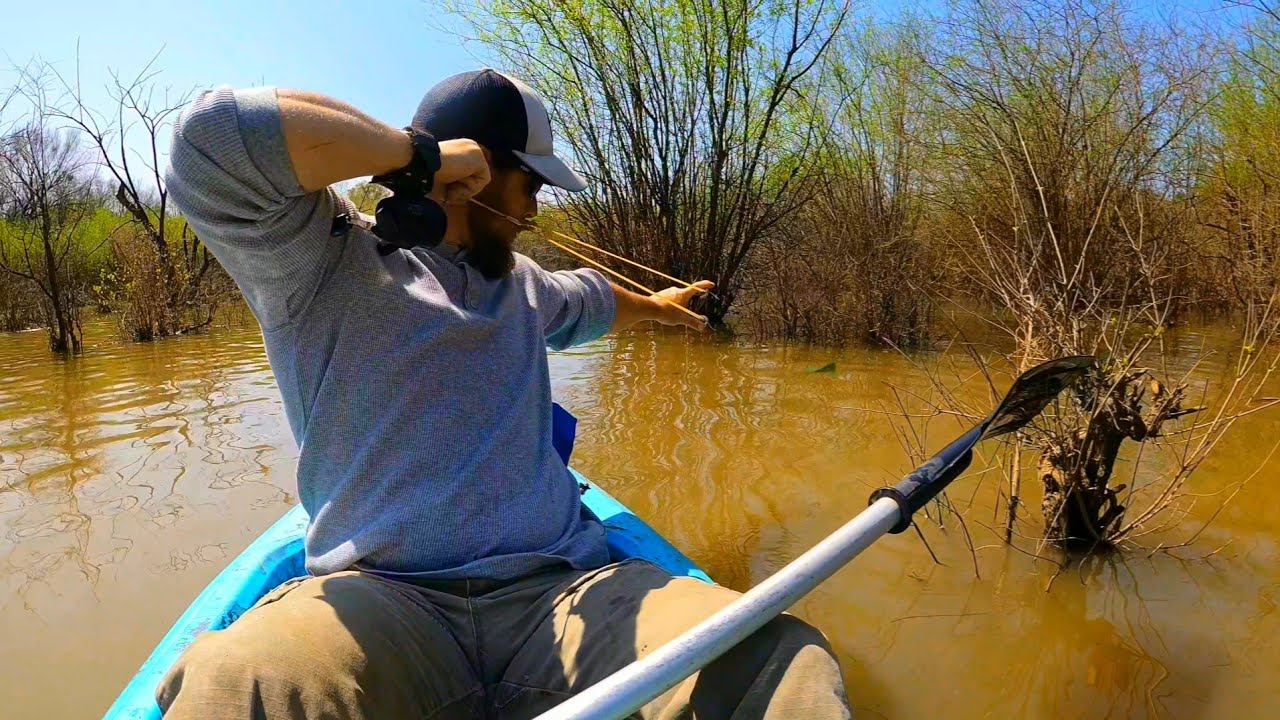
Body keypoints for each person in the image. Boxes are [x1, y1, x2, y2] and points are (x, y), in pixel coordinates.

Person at [157, 68, 851, 719]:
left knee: (778, 659)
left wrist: (661, 307)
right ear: (475, 175)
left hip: (561, 594)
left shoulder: (521, 283)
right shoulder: (322, 260)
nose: (536, 208)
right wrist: (416, 154)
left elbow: (593, 300)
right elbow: (210, 140)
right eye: (532, 185)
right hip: (383, 605)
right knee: (237, 683)